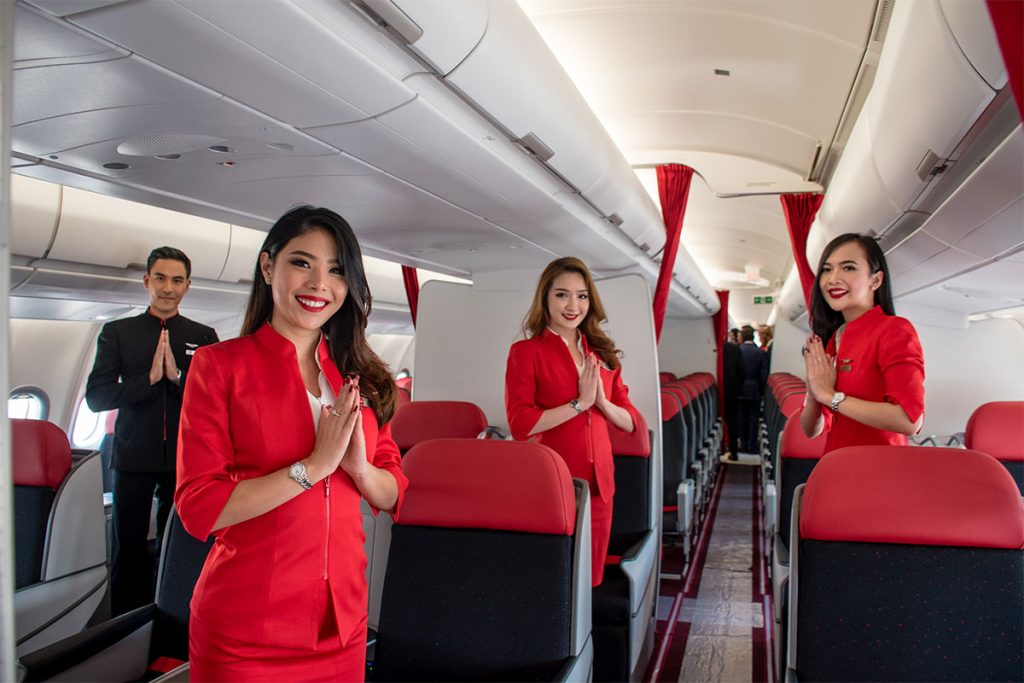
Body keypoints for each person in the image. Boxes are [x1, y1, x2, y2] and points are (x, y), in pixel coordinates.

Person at [175, 206, 408, 681]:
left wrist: (360, 471)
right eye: (302, 263)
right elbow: (199, 506)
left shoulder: (359, 378)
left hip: (340, 627)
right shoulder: (219, 367)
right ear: (268, 267)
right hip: (246, 630)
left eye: (337, 270)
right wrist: (313, 468)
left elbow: (396, 493)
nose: (320, 283)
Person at [85, 246, 218, 615]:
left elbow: (217, 399)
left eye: (177, 280)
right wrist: (148, 380)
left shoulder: (203, 337)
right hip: (131, 455)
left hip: (185, 458)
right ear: (147, 281)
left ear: (188, 286)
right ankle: (125, 625)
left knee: (176, 544)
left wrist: (177, 379)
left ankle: (172, 616)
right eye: (160, 278)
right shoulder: (117, 333)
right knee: (127, 548)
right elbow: (97, 398)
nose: (168, 287)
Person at [505, 257, 638, 587]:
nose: (573, 305)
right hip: (554, 479)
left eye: (581, 296)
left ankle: (585, 639)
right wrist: (579, 404)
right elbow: (521, 424)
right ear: (546, 298)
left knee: (591, 578)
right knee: (555, 578)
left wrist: (602, 403)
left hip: (601, 484)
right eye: (562, 294)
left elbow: (631, 421)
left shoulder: (602, 353)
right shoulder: (527, 351)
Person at [800, 233, 925, 450]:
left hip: (879, 471)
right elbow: (812, 430)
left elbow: (909, 420)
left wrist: (831, 397)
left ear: (875, 280)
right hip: (837, 466)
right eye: (827, 269)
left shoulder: (894, 330)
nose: (832, 279)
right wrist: (814, 394)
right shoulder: (834, 339)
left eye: (848, 268)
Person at [737, 325, 767, 454]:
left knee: (741, 417)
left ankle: (743, 444)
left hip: (740, 389)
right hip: (755, 389)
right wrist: (762, 391)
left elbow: (735, 372)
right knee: (754, 418)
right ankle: (752, 446)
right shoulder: (760, 353)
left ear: (742, 337)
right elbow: (763, 375)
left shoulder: (737, 351)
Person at [722, 332, 743, 460]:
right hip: (731, 392)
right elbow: (742, 372)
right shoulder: (734, 349)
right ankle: (733, 451)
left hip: (712, 390)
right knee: (732, 422)